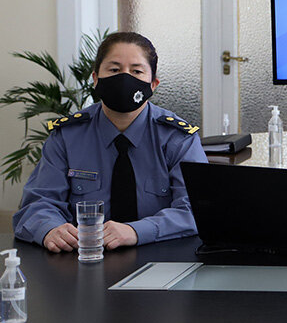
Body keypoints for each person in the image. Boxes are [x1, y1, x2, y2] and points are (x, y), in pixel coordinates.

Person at [13, 32, 207, 252]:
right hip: (83, 257)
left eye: (136, 71)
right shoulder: (67, 136)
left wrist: (136, 231)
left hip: (163, 256)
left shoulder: (178, 138)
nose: (124, 78)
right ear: (96, 79)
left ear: (153, 84)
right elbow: (38, 203)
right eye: (114, 70)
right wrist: (50, 229)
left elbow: (195, 209)